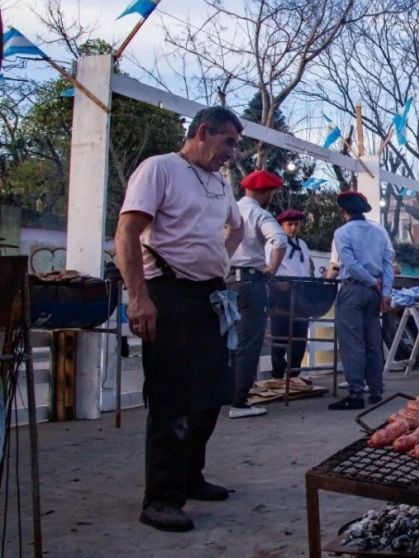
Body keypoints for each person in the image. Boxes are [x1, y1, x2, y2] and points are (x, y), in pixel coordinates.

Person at [115, 106, 245, 532]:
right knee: (172, 400)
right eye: (228, 142)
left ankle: (191, 476)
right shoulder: (160, 169)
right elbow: (128, 232)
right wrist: (139, 298)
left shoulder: (219, 183)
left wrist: (218, 261)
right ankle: (161, 498)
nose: (232, 152)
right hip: (166, 294)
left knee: (210, 395)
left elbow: (237, 228)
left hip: (208, 298)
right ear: (203, 132)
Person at [226, 170, 288, 418]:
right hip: (250, 282)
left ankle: (222, 393)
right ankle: (239, 401)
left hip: (225, 281)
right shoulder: (259, 213)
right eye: (272, 192)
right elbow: (279, 240)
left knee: (225, 342)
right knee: (248, 342)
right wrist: (272, 268)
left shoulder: (228, 209)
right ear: (265, 192)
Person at [326, 190, 395, 410]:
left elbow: (349, 262)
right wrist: (385, 292)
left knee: (352, 343)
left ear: (343, 211)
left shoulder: (342, 232)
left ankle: (356, 393)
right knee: (373, 342)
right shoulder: (378, 232)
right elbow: (388, 264)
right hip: (375, 293)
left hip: (354, 289)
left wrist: (369, 281)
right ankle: (376, 390)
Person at [267, 209, 312, 380]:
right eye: (289, 224)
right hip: (281, 291)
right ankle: (278, 374)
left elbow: (305, 268)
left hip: (301, 292)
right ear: (282, 225)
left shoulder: (303, 245)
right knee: (280, 335)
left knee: (300, 336)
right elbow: (269, 266)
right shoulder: (274, 243)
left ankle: (294, 374)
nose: (293, 228)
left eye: (296, 224)